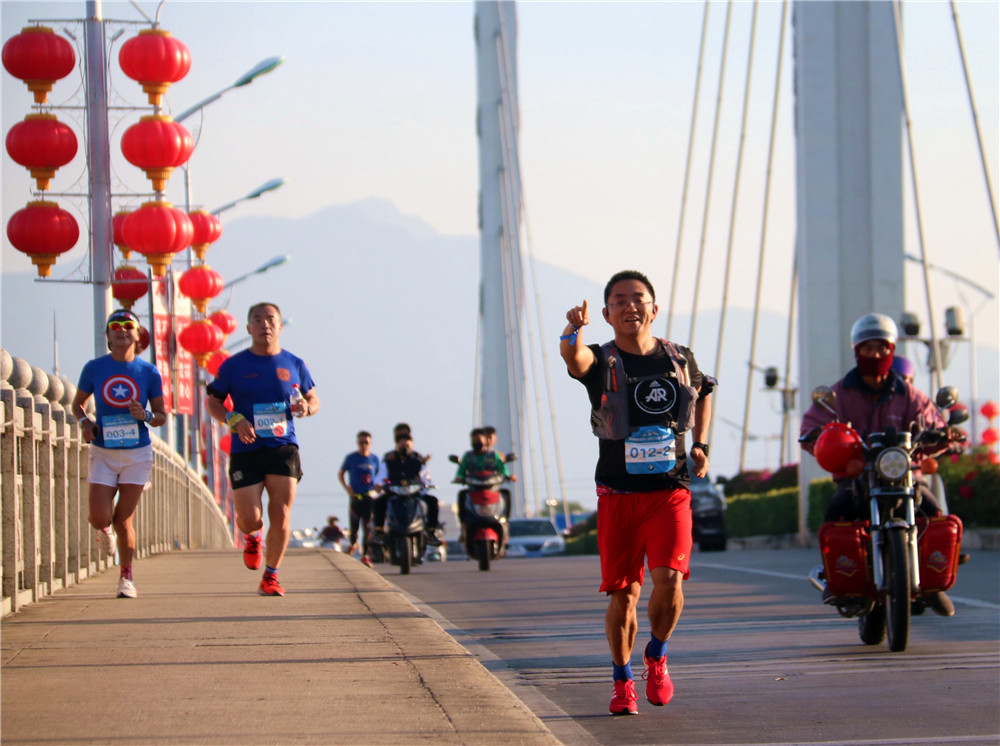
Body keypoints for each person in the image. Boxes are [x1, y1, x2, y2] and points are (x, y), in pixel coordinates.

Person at [560, 270, 715, 716]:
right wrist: (573, 330)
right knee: (624, 594)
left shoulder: (679, 357)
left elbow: (704, 391)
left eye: (639, 298)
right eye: (620, 300)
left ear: (655, 308)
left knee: (669, 582)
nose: (631, 306)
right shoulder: (600, 359)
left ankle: (658, 655)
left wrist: (700, 444)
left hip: (670, 492)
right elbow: (574, 360)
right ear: (607, 313)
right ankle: (622, 678)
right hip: (618, 493)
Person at [799, 312, 960, 615]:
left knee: (932, 509)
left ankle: (933, 582)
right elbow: (813, 426)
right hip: (858, 476)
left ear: (891, 351)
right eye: (867, 349)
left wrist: (947, 432)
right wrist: (817, 433)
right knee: (838, 511)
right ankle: (835, 576)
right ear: (857, 351)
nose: (875, 354)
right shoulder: (838, 394)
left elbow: (931, 423)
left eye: (881, 348)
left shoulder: (909, 394)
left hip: (906, 475)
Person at [205, 302, 320, 597]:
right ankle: (252, 537)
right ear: (249, 328)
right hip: (246, 447)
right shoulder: (234, 365)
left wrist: (307, 407)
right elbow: (213, 402)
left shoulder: (294, 363)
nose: (265, 325)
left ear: (280, 327)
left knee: (281, 512)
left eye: (271, 320)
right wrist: (233, 418)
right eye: (258, 320)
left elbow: (313, 399)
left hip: (282, 446)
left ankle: (271, 576)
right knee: (250, 518)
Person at [71, 309, 167, 599]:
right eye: (115, 326)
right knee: (99, 517)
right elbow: (77, 405)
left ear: (138, 336)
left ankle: (126, 578)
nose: (122, 330)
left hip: (137, 453)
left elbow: (162, 415)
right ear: (108, 336)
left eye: (129, 326)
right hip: (103, 450)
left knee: (123, 519)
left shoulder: (148, 372)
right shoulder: (94, 368)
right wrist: (85, 422)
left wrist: (146, 414)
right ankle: (104, 531)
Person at [375, 431, 442, 545]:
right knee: (378, 503)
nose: (404, 448)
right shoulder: (388, 462)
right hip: (394, 494)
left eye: (407, 445)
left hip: (414, 494)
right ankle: (379, 532)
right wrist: (380, 486)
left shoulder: (418, 462)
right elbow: (379, 479)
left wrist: (423, 487)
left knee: (433, 501)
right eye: (401, 445)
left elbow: (426, 479)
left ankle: (431, 532)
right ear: (396, 446)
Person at [454, 428, 515, 532]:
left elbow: (502, 469)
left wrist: (509, 476)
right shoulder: (468, 456)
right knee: (462, 495)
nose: (477, 443)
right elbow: (461, 471)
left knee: (506, 494)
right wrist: (459, 478)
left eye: (479, 440)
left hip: (492, 489)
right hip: (474, 489)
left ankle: (505, 522)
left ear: (486, 441)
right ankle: (464, 526)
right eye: (474, 441)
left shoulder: (493, 455)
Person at [338, 430, 380, 567]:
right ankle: (352, 545)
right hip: (356, 497)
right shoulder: (351, 458)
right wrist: (347, 487)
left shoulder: (374, 459)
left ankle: (366, 556)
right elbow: (341, 473)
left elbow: (380, 476)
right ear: (357, 443)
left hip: (369, 498)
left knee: (368, 528)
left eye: (366, 442)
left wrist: (379, 486)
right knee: (354, 528)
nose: (363, 445)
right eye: (361, 442)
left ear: (371, 443)